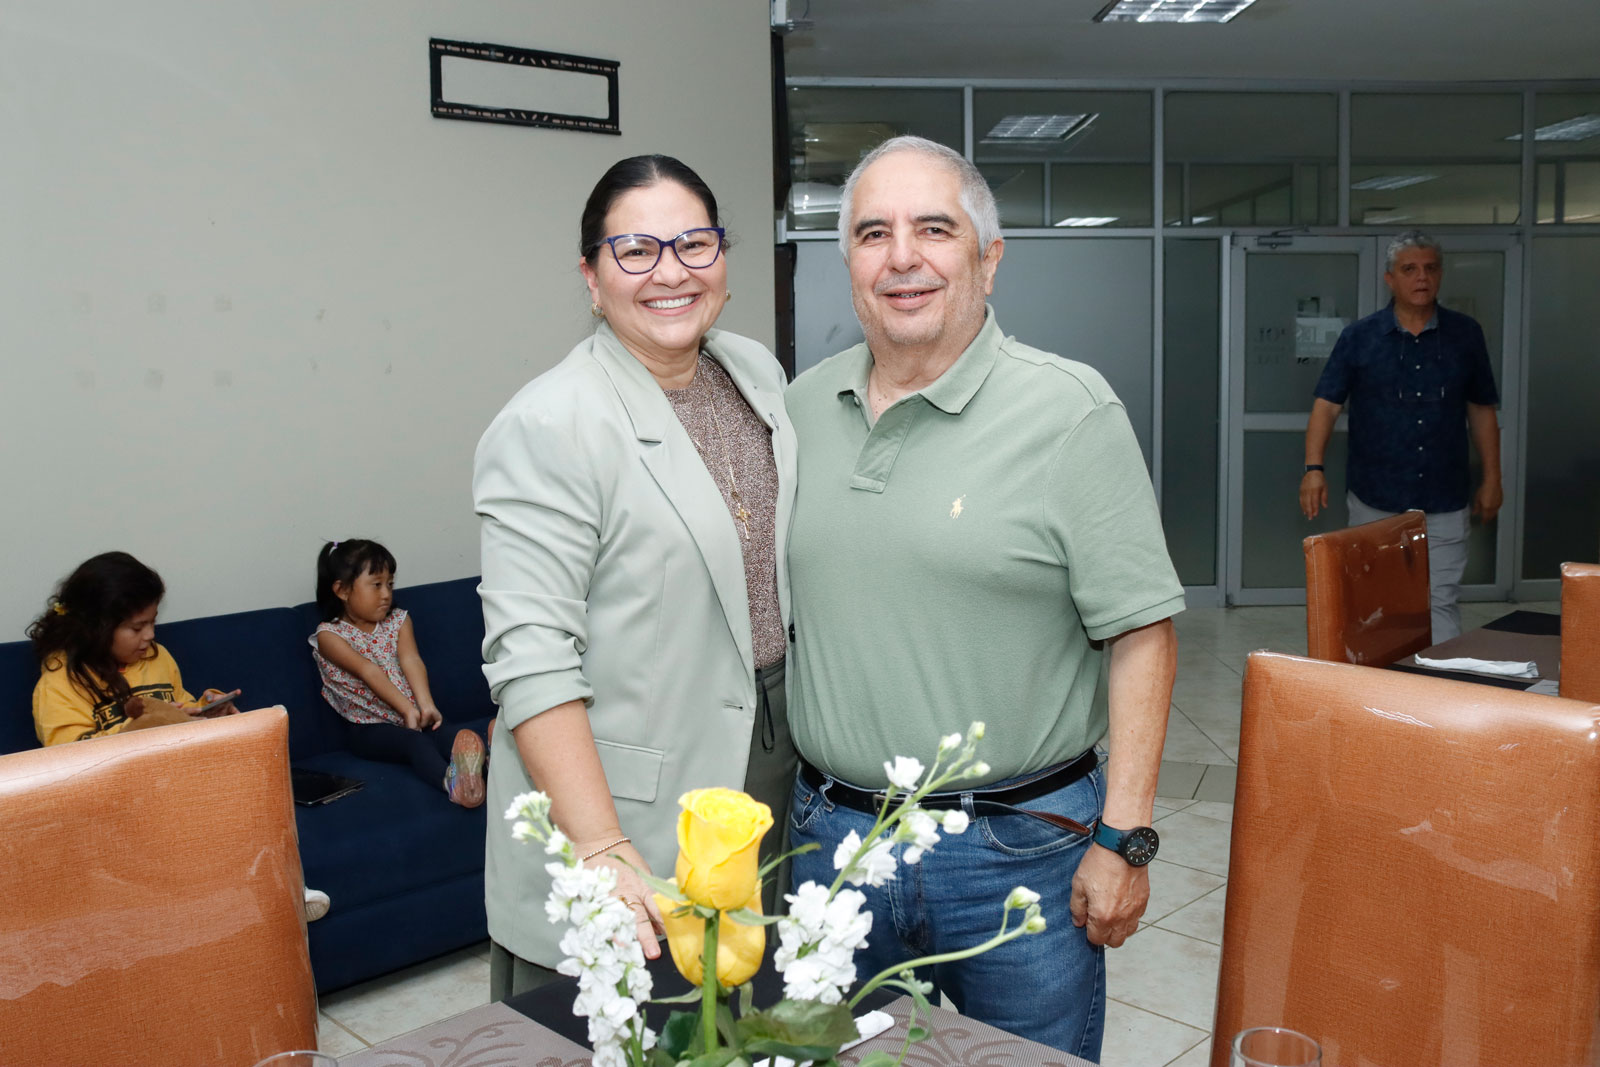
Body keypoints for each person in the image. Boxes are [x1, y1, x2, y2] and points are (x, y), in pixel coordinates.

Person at [782, 135, 1183, 1060]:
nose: (902, 257)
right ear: (849, 263)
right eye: (873, 233)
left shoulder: (1071, 411)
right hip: (832, 844)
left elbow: (1143, 634)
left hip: (1018, 854)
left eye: (935, 229)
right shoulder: (799, 410)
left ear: (989, 259)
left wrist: (1125, 837)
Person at [473, 154, 798, 1000]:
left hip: (769, 769)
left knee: (750, 1020)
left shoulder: (756, 374)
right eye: (637, 251)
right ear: (591, 277)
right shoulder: (551, 423)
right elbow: (532, 658)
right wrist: (601, 842)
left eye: (694, 244)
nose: (672, 272)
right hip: (627, 804)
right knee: (634, 1027)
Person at [30, 550, 332, 921]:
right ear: (96, 626)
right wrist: (144, 728)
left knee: (253, 781)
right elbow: (66, 764)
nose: (150, 636)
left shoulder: (157, 658)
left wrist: (205, 709)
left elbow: (180, 705)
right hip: (122, 799)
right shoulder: (60, 683)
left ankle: (287, 886)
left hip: (179, 779)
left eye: (152, 622)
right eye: (137, 627)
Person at [1300, 229, 1501, 642]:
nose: (1421, 277)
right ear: (1390, 279)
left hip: (1445, 499)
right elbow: (1327, 404)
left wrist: (1492, 477)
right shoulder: (1360, 337)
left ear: (1440, 275)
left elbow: (1481, 410)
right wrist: (1313, 468)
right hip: (1375, 497)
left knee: (1439, 601)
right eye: (1409, 269)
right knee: (1376, 603)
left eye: (1430, 268)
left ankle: (1436, 679)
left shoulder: (1465, 335)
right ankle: (1385, 680)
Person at [310, 539, 487, 807]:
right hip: (368, 728)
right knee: (415, 744)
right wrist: (406, 710)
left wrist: (426, 706)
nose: (386, 594)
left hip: (412, 713)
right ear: (342, 590)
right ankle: (452, 784)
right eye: (376, 585)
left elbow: (411, 660)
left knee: (447, 734)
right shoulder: (330, 636)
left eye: (390, 584)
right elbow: (368, 671)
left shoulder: (398, 620)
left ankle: (485, 765)